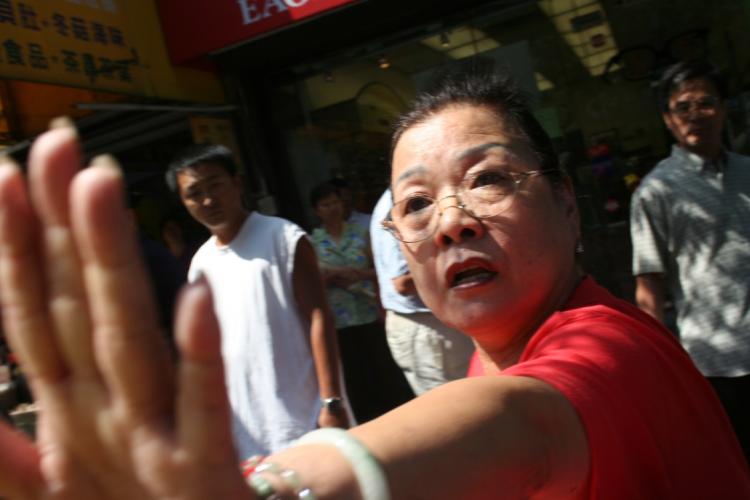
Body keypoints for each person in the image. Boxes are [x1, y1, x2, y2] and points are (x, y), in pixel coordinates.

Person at [1, 67, 749, 500]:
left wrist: (264, 489)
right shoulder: (494, 350)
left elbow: (514, 422)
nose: (450, 222)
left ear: (565, 202)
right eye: (415, 203)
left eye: (488, 179)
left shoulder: (605, 348)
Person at [164, 144, 349, 458]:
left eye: (215, 185)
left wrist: (331, 401)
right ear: (184, 202)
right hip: (248, 429)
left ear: (237, 183)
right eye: (195, 193)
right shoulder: (200, 264)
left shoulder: (284, 237)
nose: (208, 200)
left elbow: (320, 317)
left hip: (307, 415)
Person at [629, 60, 750, 461]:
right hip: (716, 360)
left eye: (705, 102)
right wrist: (659, 368)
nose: (696, 114)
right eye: (684, 107)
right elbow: (650, 286)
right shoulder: (655, 192)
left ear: (723, 108)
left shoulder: (748, 173)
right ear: (668, 118)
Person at [309, 182, 414, 423]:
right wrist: (340, 273)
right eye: (326, 204)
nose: (332, 208)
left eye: (335, 202)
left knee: (380, 369)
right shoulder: (313, 241)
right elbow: (314, 278)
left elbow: (377, 268)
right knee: (354, 376)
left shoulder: (359, 233)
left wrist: (353, 274)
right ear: (317, 210)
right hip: (339, 320)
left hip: (367, 311)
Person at [370, 187, 474, 395]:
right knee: (454, 410)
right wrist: (465, 273)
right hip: (426, 328)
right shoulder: (399, 202)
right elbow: (402, 284)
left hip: (435, 325)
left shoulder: (406, 198)